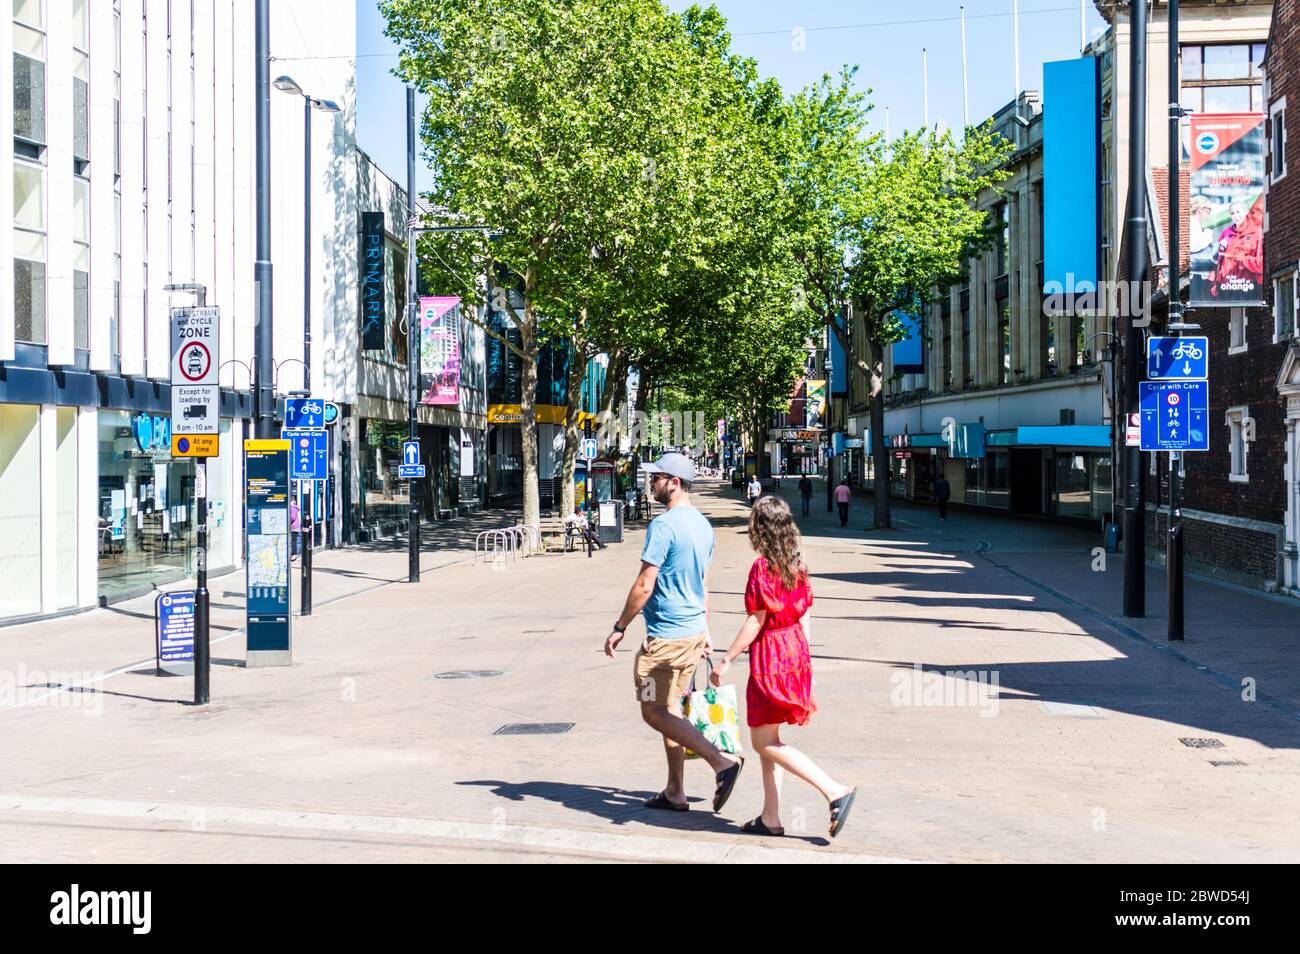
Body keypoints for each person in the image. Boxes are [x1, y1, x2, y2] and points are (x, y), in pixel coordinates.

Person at [605, 453, 744, 813]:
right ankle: (675, 791)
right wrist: (706, 627)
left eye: (657, 478)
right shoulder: (702, 525)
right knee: (671, 709)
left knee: (652, 711)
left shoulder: (664, 526)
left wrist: (620, 627)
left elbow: (644, 583)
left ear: (675, 483)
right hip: (692, 633)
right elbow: (703, 584)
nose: (651, 484)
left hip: (665, 640)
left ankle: (721, 763)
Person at [711, 495, 856, 838]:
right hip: (794, 652)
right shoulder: (796, 566)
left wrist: (726, 658)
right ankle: (770, 816)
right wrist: (807, 664)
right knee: (770, 737)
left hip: (771, 657)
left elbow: (756, 621)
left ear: (759, 528)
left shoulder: (762, 569)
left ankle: (834, 790)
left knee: (763, 742)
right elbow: (804, 616)